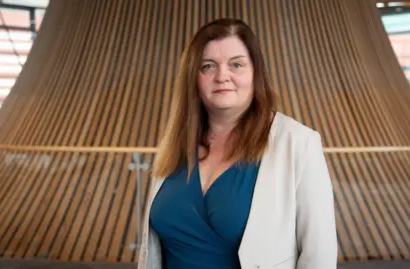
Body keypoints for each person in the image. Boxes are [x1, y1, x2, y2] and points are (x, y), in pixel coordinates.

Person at [138, 18, 337, 269]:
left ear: (256, 73)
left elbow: (319, 255)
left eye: (237, 64)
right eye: (208, 66)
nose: (222, 76)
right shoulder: (175, 145)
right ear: (194, 78)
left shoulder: (298, 143)